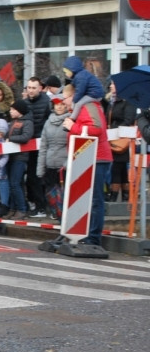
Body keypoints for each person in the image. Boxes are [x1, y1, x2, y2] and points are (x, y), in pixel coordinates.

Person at [61, 84, 112, 247]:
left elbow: (97, 129)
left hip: (96, 158)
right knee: (86, 200)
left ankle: (94, 237)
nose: (63, 102)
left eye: (65, 98)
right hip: (84, 158)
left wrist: (73, 127)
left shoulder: (89, 106)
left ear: (73, 96)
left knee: (95, 199)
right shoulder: (80, 109)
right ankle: (82, 234)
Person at [36, 94, 70, 219]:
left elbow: (74, 144)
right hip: (50, 164)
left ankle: (65, 217)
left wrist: (67, 163)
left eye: (62, 104)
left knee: (65, 194)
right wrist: (40, 168)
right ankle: (56, 214)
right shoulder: (47, 123)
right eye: (57, 104)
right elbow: (43, 146)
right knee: (51, 194)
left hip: (64, 166)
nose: (59, 107)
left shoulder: (70, 121)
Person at [104, 81, 137, 202]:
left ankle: (115, 195)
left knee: (117, 167)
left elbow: (128, 119)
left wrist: (116, 132)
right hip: (113, 137)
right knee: (121, 167)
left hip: (122, 138)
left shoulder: (127, 101)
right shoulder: (112, 102)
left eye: (113, 84)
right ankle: (125, 195)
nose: (110, 86)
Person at [23, 77, 51, 218]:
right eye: (29, 87)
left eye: (34, 88)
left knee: (41, 177)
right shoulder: (25, 103)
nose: (31, 90)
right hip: (29, 145)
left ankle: (43, 207)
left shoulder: (47, 102)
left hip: (43, 144)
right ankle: (36, 204)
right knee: (31, 177)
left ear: (40, 88)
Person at [3, 99, 34, 220]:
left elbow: (26, 137)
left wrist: (10, 139)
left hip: (20, 157)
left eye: (13, 109)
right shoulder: (13, 122)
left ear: (19, 111)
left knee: (15, 183)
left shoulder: (27, 122)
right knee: (14, 184)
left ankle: (21, 209)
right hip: (11, 156)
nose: (10, 111)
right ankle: (13, 208)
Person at [62, 56, 105, 120]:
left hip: (94, 94)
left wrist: (74, 101)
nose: (66, 74)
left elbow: (80, 91)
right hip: (94, 93)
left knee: (78, 104)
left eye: (67, 72)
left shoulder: (81, 77)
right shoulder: (80, 75)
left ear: (72, 70)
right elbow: (74, 84)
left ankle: (72, 118)